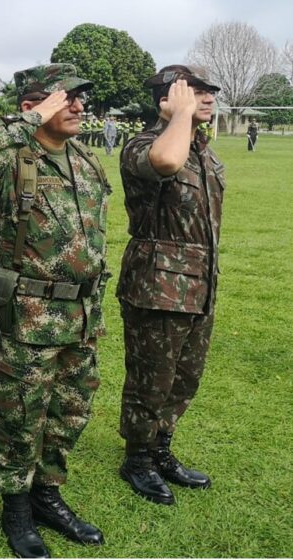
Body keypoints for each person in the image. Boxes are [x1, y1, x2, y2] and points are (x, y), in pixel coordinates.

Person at [0, 63, 109, 558]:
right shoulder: (8, 160)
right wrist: (28, 120)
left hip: (81, 316)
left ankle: (47, 496)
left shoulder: (84, 158)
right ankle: (16, 510)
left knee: (70, 411)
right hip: (25, 318)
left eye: (81, 99)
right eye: (68, 99)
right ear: (33, 107)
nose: (80, 107)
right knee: (21, 416)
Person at [117, 65, 223, 505]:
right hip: (158, 283)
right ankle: (137, 459)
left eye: (210, 91)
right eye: (195, 91)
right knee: (151, 379)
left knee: (184, 377)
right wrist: (176, 116)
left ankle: (161, 448)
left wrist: (186, 120)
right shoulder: (146, 145)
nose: (208, 97)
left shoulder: (203, 152)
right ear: (168, 97)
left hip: (200, 282)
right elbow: (165, 161)